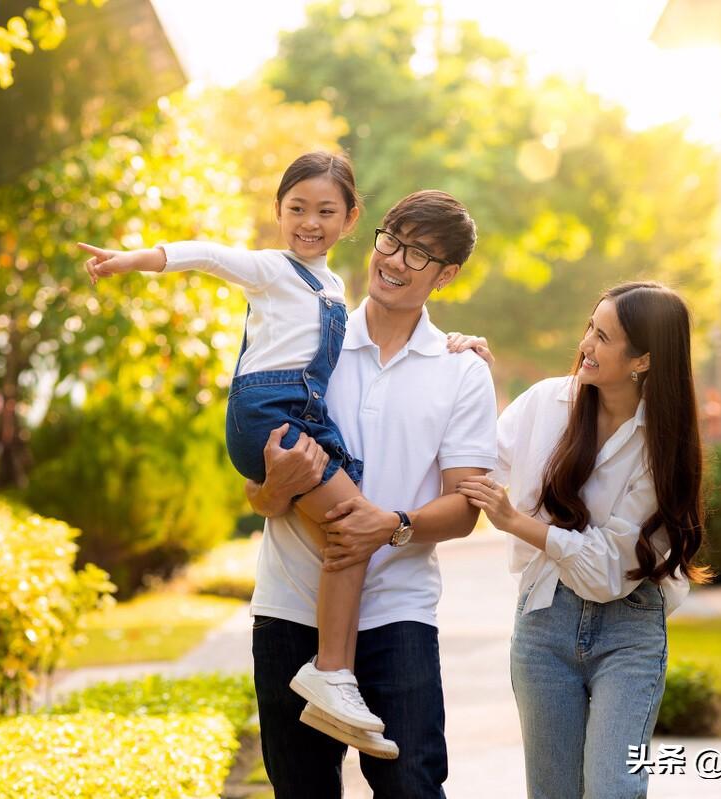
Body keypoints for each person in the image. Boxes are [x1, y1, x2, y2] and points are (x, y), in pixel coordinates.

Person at [82, 153, 430, 753]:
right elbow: (211, 256)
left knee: (348, 538)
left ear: (350, 219)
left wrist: (452, 342)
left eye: (326, 211)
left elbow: (374, 337)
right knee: (352, 526)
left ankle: (333, 679)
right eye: (296, 208)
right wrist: (137, 260)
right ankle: (331, 676)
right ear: (278, 211)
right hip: (268, 415)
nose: (309, 222)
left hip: (303, 415)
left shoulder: (333, 286)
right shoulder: (271, 269)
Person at [245, 189, 497, 795]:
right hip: (289, 606)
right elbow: (257, 493)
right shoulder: (308, 345)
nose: (395, 261)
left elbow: (467, 505)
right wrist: (273, 488)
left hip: (397, 611)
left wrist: (392, 524)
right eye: (392, 240)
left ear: (447, 276)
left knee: (412, 784)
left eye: (420, 254)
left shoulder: (461, 370)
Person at [453, 282, 710, 798]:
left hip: (629, 629)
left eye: (605, 336)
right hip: (545, 621)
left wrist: (515, 521)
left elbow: (606, 569)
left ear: (642, 360)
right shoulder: (547, 403)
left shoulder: (662, 447)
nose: (587, 345)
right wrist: (466, 378)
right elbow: (472, 457)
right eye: (590, 328)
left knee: (613, 788)